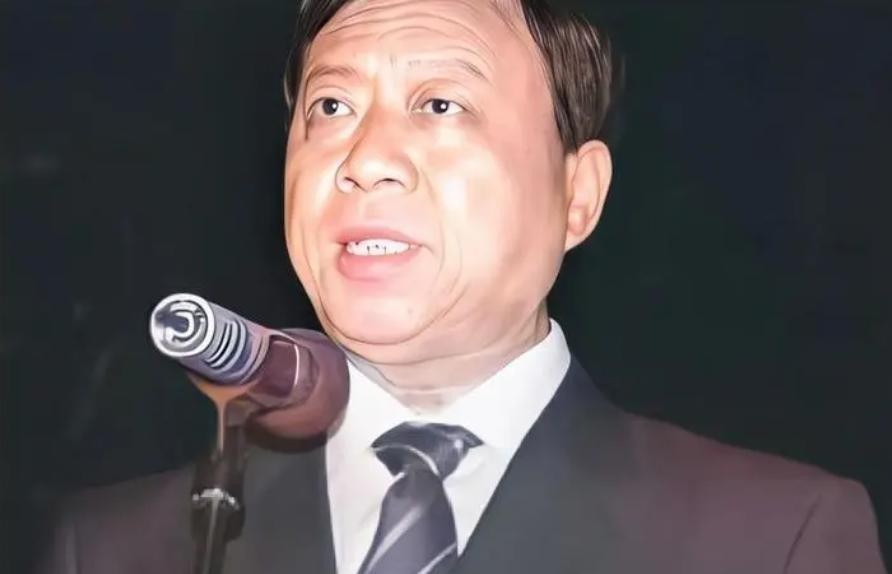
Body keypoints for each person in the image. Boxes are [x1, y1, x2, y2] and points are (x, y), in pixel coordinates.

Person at [39, 0, 887, 573]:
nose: (365, 158)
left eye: (440, 104)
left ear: (578, 195)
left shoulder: (772, 541)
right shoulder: (120, 548)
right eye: (331, 108)